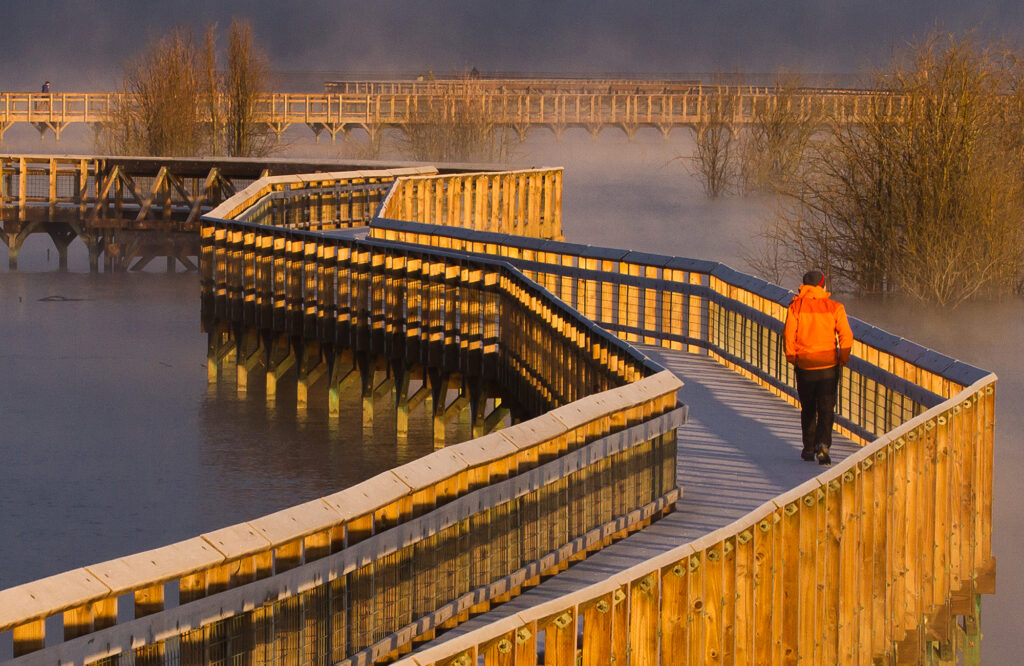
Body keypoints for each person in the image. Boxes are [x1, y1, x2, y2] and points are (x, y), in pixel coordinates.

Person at [783, 269, 853, 465]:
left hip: (805, 365)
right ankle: (823, 444)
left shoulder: (796, 307)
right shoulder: (834, 307)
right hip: (828, 366)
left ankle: (807, 447)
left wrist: (793, 358)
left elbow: (789, 335)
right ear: (822, 286)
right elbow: (846, 335)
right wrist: (843, 358)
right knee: (826, 407)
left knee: (808, 408)